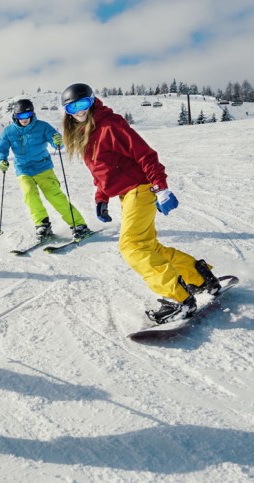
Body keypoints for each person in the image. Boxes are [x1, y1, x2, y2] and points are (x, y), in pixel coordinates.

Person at [59, 83, 221, 324]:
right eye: (73, 107)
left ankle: (180, 298)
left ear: (92, 101)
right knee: (148, 246)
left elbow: (144, 154)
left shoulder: (110, 125)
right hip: (128, 193)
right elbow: (101, 170)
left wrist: (161, 187)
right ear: (67, 111)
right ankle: (200, 277)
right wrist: (101, 197)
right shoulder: (85, 133)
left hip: (140, 189)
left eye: (83, 104)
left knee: (131, 246)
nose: (79, 111)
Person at [0, 99, 91, 240]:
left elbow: (56, 140)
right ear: (15, 116)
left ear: (33, 114)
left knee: (54, 196)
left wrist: (57, 141)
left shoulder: (42, 126)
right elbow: (0, 149)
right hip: (23, 169)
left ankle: (78, 224)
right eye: (21, 116)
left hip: (43, 167)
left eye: (27, 115)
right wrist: (1, 159)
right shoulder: (9, 131)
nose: (25, 119)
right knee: (29, 194)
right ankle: (42, 225)